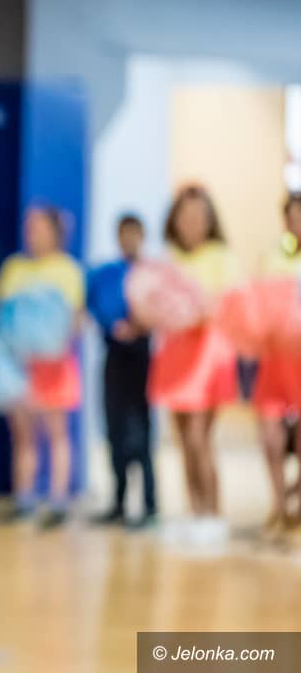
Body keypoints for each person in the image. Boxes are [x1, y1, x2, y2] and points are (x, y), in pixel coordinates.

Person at [148, 185, 240, 531]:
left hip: (207, 359)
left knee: (200, 438)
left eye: (198, 217)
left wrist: (200, 308)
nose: (191, 224)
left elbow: (229, 304)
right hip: (175, 355)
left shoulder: (222, 257)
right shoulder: (167, 259)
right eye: (185, 217)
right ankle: (195, 512)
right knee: (184, 441)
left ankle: (213, 514)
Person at [0, 207, 85, 529]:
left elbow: (74, 318)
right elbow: (2, 313)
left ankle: (58, 500)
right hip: (20, 365)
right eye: (30, 228)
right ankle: (24, 498)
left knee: (57, 432)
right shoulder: (14, 267)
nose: (32, 233)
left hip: (55, 365)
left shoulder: (68, 270)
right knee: (24, 435)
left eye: (39, 227)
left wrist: (55, 346)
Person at [89, 215, 156, 528]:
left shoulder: (152, 274)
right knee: (114, 429)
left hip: (141, 358)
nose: (128, 240)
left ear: (142, 236)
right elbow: (93, 305)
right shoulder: (106, 274)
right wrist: (112, 325)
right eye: (123, 234)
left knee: (140, 431)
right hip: (114, 356)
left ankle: (149, 505)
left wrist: (140, 326)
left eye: (134, 234)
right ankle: (118, 501)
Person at [251, 193, 301, 539]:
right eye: (292, 217)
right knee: (270, 435)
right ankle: (279, 504)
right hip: (275, 358)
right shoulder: (271, 258)